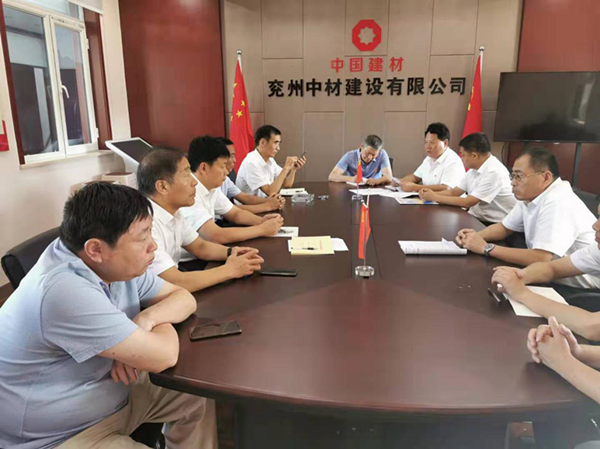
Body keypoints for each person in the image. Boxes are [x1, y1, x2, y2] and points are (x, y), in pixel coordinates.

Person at [0, 182, 217, 448]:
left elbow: (183, 297)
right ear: (95, 249)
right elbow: (164, 356)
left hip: (113, 393)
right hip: (60, 435)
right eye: (142, 237)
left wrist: (146, 320)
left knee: (192, 393)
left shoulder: (114, 264)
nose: (153, 246)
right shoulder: (63, 290)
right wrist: (151, 331)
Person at [137, 148, 263, 293]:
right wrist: (230, 269)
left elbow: (200, 247)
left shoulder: (174, 213)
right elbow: (175, 281)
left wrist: (233, 252)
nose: (194, 182)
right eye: (186, 175)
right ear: (163, 187)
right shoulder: (144, 225)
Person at [456, 147, 596, 270]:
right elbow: (504, 228)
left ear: (546, 177)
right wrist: (475, 237)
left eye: (519, 176)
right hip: (545, 271)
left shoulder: (558, 201)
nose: (513, 182)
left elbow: (541, 257)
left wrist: (486, 248)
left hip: (576, 283)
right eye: (513, 176)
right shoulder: (531, 196)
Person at [491, 205, 600, 339]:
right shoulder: (597, 250)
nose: (595, 226)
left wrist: (522, 294)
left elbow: (591, 326)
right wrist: (522, 275)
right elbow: (552, 269)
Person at [180, 136, 284, 244]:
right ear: (204, 168)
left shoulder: (212, 188)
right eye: (222, 167)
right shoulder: (189, 194)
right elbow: (215, 235)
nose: (226, 172)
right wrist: (262, 229)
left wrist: (262, 221)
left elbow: (235, 213)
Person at [419, 132, 516, 224]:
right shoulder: (474, 169)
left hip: (494, 224)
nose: (461, 158)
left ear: (474, 156)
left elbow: (467, 202)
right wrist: (428, 194)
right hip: (476, 217)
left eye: (463, 155)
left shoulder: (493, 172)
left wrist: (435, 197)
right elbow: (454, 192)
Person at [215, 137, 285, 213]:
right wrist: (268, 206)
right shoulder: (251, 163)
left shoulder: (226, 180)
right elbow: (231, 209)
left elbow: (246, 198)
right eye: (231, 156)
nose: (235, 160)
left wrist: (270, 201)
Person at [236, 125, 306, 197]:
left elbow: (287, 184)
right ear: (263, 142)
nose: (278, 148)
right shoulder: (251, 163)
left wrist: (293, 169)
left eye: (279, 144)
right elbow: (270, 192)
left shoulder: (270, 160)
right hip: (251, 204)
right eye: (275, 143)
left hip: (265, 202)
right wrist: (286, 168)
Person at [394, 122, 465, 192]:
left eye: (432, 142)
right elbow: (415, 177)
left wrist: (415, 187)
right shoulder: (429, 158)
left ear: (445, 143)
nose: (428, 146)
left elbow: (446, 188)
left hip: (447, 200)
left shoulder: (453, 161)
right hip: (428, 198)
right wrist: (399, 182)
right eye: (426, 142)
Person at [328, 134, 393, 186]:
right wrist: (352, 179)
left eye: (373, 155)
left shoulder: (382, 154)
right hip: (353, 189)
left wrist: (376, 181)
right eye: (367, 153)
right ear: (362, 146)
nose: (369, 157)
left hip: (374, 188)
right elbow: (332, 176)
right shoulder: (350, 156)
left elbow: (389, 177)